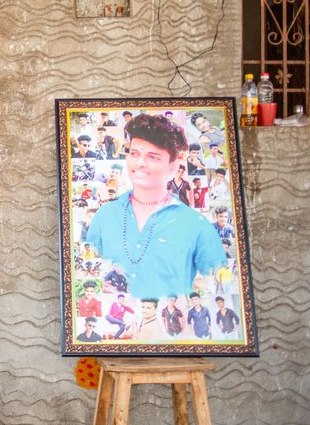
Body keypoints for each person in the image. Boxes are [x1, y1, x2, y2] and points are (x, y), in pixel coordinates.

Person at [86, 113, 226, 299]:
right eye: (135, 153)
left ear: (173, 167)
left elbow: (218, 285)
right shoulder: (105, 216)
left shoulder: (195, 224)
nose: (140, 163)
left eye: (153, 157)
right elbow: (87, 270)